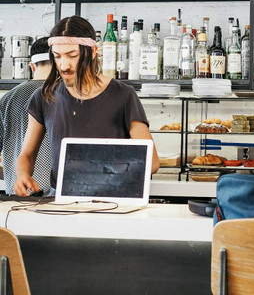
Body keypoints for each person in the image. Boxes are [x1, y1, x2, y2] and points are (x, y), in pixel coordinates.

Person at [14, 16, 159, 196]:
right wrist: (22, 174)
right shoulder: (44, 97)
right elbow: (26, 155)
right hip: (60, 201)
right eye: (57, 57)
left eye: (72, 56)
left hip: (113, 201)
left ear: (92, 51)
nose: (64, 65)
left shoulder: (124, 95)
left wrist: (105, 176)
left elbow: (151, 162)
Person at [0, 37, 53, 195]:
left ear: (31, 66)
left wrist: (11, 173)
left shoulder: (7, 99)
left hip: (18, 196)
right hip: (59, 196)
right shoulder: (67, 97)